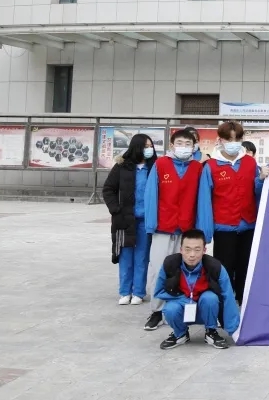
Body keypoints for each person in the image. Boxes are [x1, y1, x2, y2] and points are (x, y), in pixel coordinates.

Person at [195, 121, 264, 307]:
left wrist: (260, 179)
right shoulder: (211, 166)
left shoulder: (250, 162)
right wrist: (205, 232)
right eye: (229, 139)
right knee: (224, 268)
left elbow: (257, 191)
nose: (233, 143)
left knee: (246, 267)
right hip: (224, 226)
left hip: (248, 224)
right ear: (221, 140)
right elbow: (205, 200)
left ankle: (244, 300)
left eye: (237, 139)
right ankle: (224, 303)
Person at [142, 128, 204, 331]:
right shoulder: (161, 164)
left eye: (188, 144)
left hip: (187, 229)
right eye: (180, 143)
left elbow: (202, 199)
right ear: (171, 145)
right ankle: (157, 311)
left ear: (194, 147)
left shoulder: (198, 168)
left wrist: (202, 230)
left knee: (186, 270)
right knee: (159, 268)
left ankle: (179, 309)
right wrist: (151, 224)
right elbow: (151, 194)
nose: (184, 147)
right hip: (163, 226)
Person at [154, 229, 240, 350]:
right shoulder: (170, 264)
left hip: (206, 310)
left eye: (197, 250)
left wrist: (234, 330)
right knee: (170, 309)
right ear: (181, 250)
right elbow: (159, 291)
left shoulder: (215, 267)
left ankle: (211, 331)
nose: (192, 255)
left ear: (204, 250)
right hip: (182, 309)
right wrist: (184, 299)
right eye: (187, 249)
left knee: (210, 298)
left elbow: (228, 297)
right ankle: (180, 334)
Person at [103, 133, 156, 306]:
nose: (149, 149)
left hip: (146, 221)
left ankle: (139, 292)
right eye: (145, 146)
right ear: (136, 147)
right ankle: (125, 292)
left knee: (142, 257)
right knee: (125, 256)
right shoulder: (122, 166)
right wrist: (115, 209)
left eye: (151, 146)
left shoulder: (154, 167)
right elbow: (108, 189)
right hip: (125, 220)